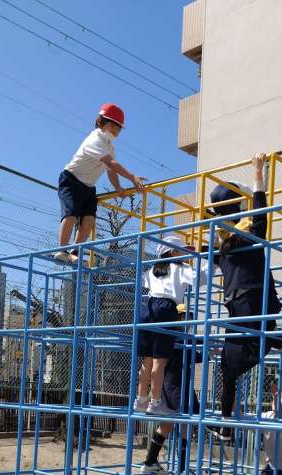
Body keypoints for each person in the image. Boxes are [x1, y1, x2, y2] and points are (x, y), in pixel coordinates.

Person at [208, 153, 282, 443]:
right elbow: (211, 249)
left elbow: (260, 210)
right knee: (227, 366)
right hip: (238, 306)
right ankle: (226, 424)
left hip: (251, 301)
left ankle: (277, 337)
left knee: (249, 350)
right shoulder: (225, 245)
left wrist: (258, 171)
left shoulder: (248, 234)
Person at [55, 103, 145, 265]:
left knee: (89, 219)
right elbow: (111, 164)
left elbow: (110, 171)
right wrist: (132, 177)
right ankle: (62, 250)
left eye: (118, 128)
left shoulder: (109, 146)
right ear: (103, 123)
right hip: (71, 180)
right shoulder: (95, 139)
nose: (116, 130)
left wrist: (118, 188)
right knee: (71, 214)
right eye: (114, 126)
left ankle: (75, 252)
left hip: (89, 187)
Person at [134, 235, 210, 417]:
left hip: (147, 309)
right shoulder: (180, 268)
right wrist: (211, 262)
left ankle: (141, 399)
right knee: (160, 361)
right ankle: (155, 402)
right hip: (165, 309)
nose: (186, 255)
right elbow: (200, 279)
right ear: (173, 252)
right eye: (183, 251)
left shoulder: (153, 270)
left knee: (147, 360)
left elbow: (142, 280)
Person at [141, 306, 201, 475]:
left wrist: (206, 349)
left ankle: (151, 461)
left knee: (168, 424)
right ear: (177, 318)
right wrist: (206, 351)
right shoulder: (174, 337)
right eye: (185, 317)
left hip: (174, 385)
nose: (188, 321)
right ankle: (179, 466)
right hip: (174, 386)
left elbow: (194, 353)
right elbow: (190, 355)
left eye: (190, 318)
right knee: (190, 419)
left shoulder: (180, 337)